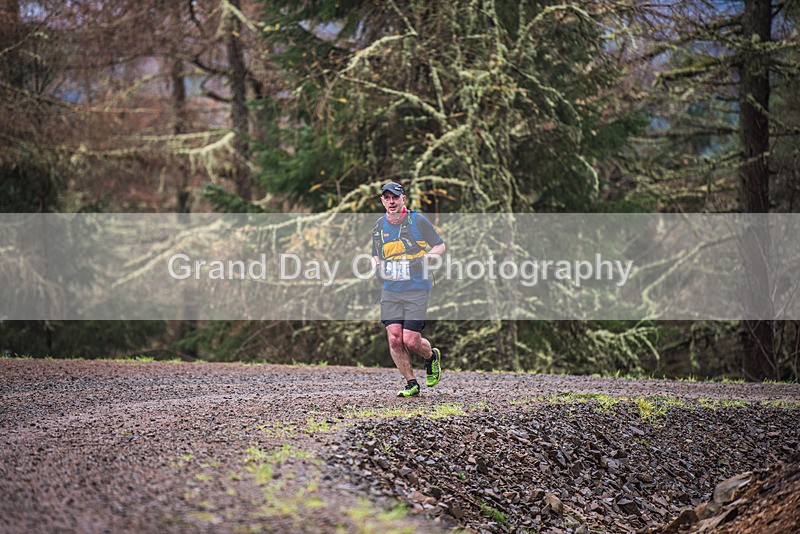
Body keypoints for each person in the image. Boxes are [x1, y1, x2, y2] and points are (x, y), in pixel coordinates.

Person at [372, 182, 446, 397]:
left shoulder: (417, 220)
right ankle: (411, 383)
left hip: (416, 288)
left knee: (410, 340)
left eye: (395, 197)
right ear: (382, 201)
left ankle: (431, 357)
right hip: (390, 290)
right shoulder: (378, 226)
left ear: (403, 198)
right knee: (394, 337)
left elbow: (440, 245)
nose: (391, 202)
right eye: (387, 198)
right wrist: (377, 266)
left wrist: (426, 259)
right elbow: (375, 253)